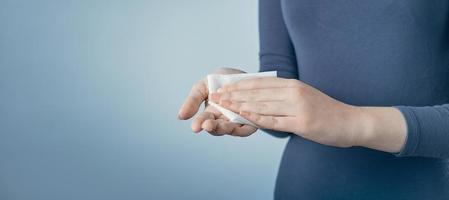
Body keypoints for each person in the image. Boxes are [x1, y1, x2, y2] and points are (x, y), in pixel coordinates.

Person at [178, 0, 449, 199]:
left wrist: (350, 121)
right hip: (308, 185)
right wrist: (241, 97)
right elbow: (284, 85)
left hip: (423, 186)